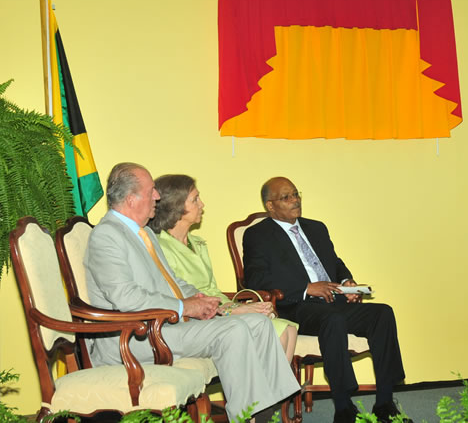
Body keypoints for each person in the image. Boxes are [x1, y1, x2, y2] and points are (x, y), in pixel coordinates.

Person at [84, 162, 299, 421]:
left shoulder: (145, 235)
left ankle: (263, 412)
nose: (157, 196)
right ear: (131, 199)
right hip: (132, 337)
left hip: (163, 326)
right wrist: (186, 307)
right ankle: (245, 417)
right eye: (152, 190)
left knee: (258, 324)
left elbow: (172, 281)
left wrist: (201, 299)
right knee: (234, 330)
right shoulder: (107, 236)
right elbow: (126, 297)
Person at [242, 177, 408, 423]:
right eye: (286, 197)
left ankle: (384, 403)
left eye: (296, 194)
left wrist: (348, 283)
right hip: (297, 306)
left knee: (382, 313)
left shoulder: (316, 227)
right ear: (270, 206)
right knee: (333, 320)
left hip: (333, 301)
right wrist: (307, 288)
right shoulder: (258, 235)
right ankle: (344, 407)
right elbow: (256, 280)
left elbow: (335, 264)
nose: (295, 200)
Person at [148, 173, 299, 362]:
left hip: (216, 308)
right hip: (194, 317)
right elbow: (179, 294)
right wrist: (233, 310)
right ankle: (264, 390)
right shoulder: (161, 247)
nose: (202, 204)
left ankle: (277, 391)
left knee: (289, 328)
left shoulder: (197, 243)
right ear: (176, 207)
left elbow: (212, 289)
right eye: (195, 200)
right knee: (276, 329)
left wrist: (240, 306)